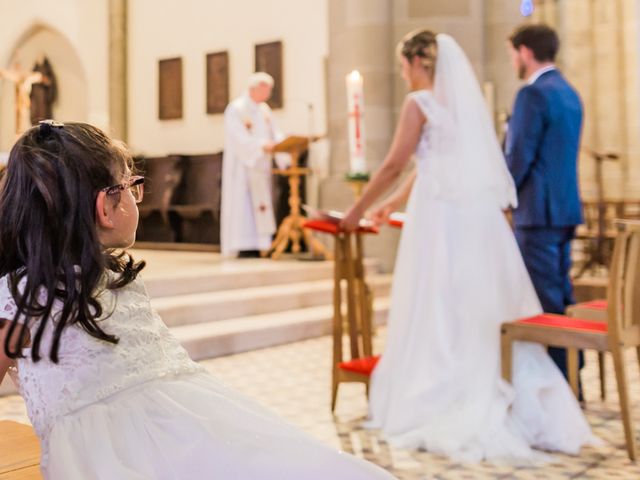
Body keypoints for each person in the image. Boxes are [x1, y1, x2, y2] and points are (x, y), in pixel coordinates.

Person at [0, 120, 395, 479]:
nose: (137, 197)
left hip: (170, 437)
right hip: (164, 444)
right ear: (106, 206)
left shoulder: (100, 280)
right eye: (133, 185)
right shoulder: (23, 300)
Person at [340, 30, 598, 464]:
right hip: (474, 219)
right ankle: (555, 388)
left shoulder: (419, 104)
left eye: (403, 65)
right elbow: (428, 166)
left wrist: (358, 209)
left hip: (442, 221)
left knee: (442, 302)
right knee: (482, 304)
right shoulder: (463, 110)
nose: (402, 74)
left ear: (418, 62)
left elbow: (394, 165)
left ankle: (450, 390)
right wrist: (389, 206)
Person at [506, 24, 584, 382]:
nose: (512, 62)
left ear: (525, 51)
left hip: (537, 215)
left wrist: (500, 196)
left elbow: (519, 156)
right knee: (562, 295)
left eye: (512, 54)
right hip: (565, 211)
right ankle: (572, 374)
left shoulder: (532, 95)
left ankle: (560, 385)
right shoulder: (570, 93)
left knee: (544, 301)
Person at [221, 72, 284, 258]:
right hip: (242, 168)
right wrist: (260, 145)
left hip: (260, 166)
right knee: (243, 205)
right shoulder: (236, 109)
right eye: (266, 89)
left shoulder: (264, 110)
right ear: (254, 88)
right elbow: (238, 138)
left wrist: (282, 144)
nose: (268, 94)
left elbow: (276, 133)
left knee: (261, 204)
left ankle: (262, 244)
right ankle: (240, 244)